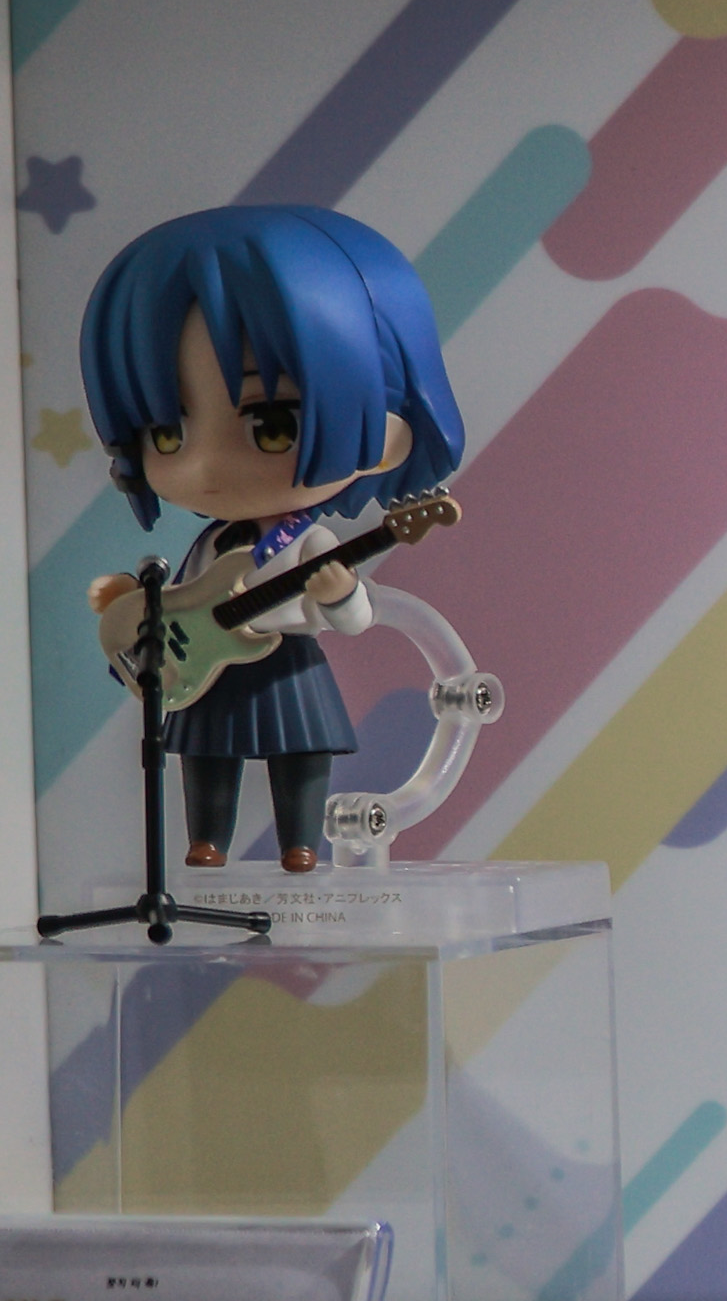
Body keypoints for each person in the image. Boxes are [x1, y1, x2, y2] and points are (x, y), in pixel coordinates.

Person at [81, 205, 467, 873]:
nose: (207, 467)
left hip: (288, 662)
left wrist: (340, 594)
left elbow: (355, 620)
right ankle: (207, 838)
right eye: (167, 434)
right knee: (205, 752)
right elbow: (190, 594)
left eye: (272, 426)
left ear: (387, 428)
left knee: (300, 753)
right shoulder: (213, 542)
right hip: (209, 668)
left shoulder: (310, 539)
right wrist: (138, 603)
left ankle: (300, 841)